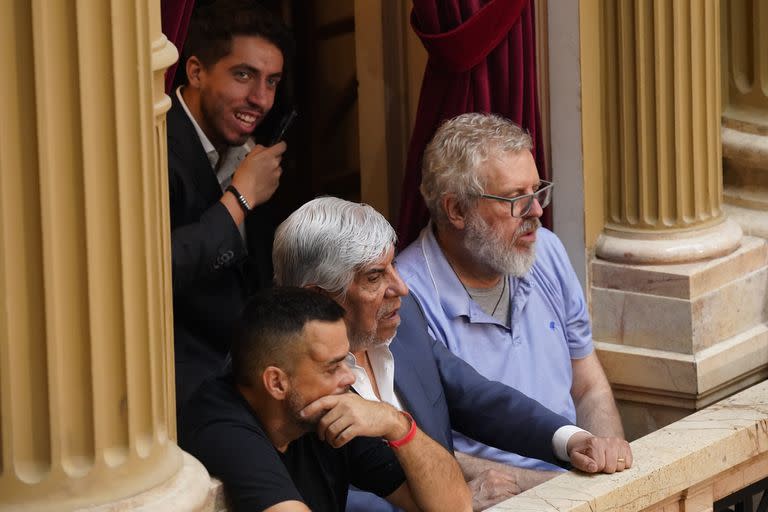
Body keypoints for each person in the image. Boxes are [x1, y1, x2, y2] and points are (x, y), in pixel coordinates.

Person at [272, 197, 633, 512]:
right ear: (317, 298)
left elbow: (479, 398)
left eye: (393, 266)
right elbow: (334, 497)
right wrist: (451, 500)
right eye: (374, 277)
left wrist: (569, 440)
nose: (400, 287)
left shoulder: (404, 321)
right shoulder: (290, 382)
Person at [395, 112, 625, 492]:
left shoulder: (544, 251)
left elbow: (587, 386)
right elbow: (419, 449)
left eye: (536, 191)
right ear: (456, 210)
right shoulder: (406, 298)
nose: (536, 212)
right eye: (516, 199)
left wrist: (611, 466)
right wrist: (555, 486)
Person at [179, 287, 471, 512]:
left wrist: (396, 424)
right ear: (276, 382)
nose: (349, 377)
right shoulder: (222, 423)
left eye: (345, 361)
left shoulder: (327, 407)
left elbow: (455, 505)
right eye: (332, 367)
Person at [168, 0, 292, 408]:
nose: (260, 98)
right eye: (244, 76)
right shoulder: (157, 146)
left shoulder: (248, 152)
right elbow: (162, 267)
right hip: (185, 382)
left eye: (272, 82)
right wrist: (240, 198)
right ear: (196, 71)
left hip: (252, 367)